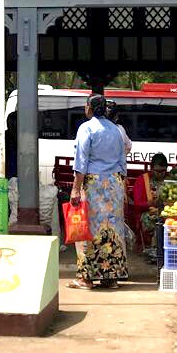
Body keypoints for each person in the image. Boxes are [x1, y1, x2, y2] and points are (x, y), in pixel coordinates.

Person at [69, 95, 129, 289]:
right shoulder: (117, 130)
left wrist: (75, 189)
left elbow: (81, 162)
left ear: (90, 108)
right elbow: (122, 162)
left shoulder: (86, 128)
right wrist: (122, 188)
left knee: (88, 227)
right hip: (115, 184)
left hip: (93, 183)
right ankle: (110, 277)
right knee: (112, 228)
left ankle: (85, 277)